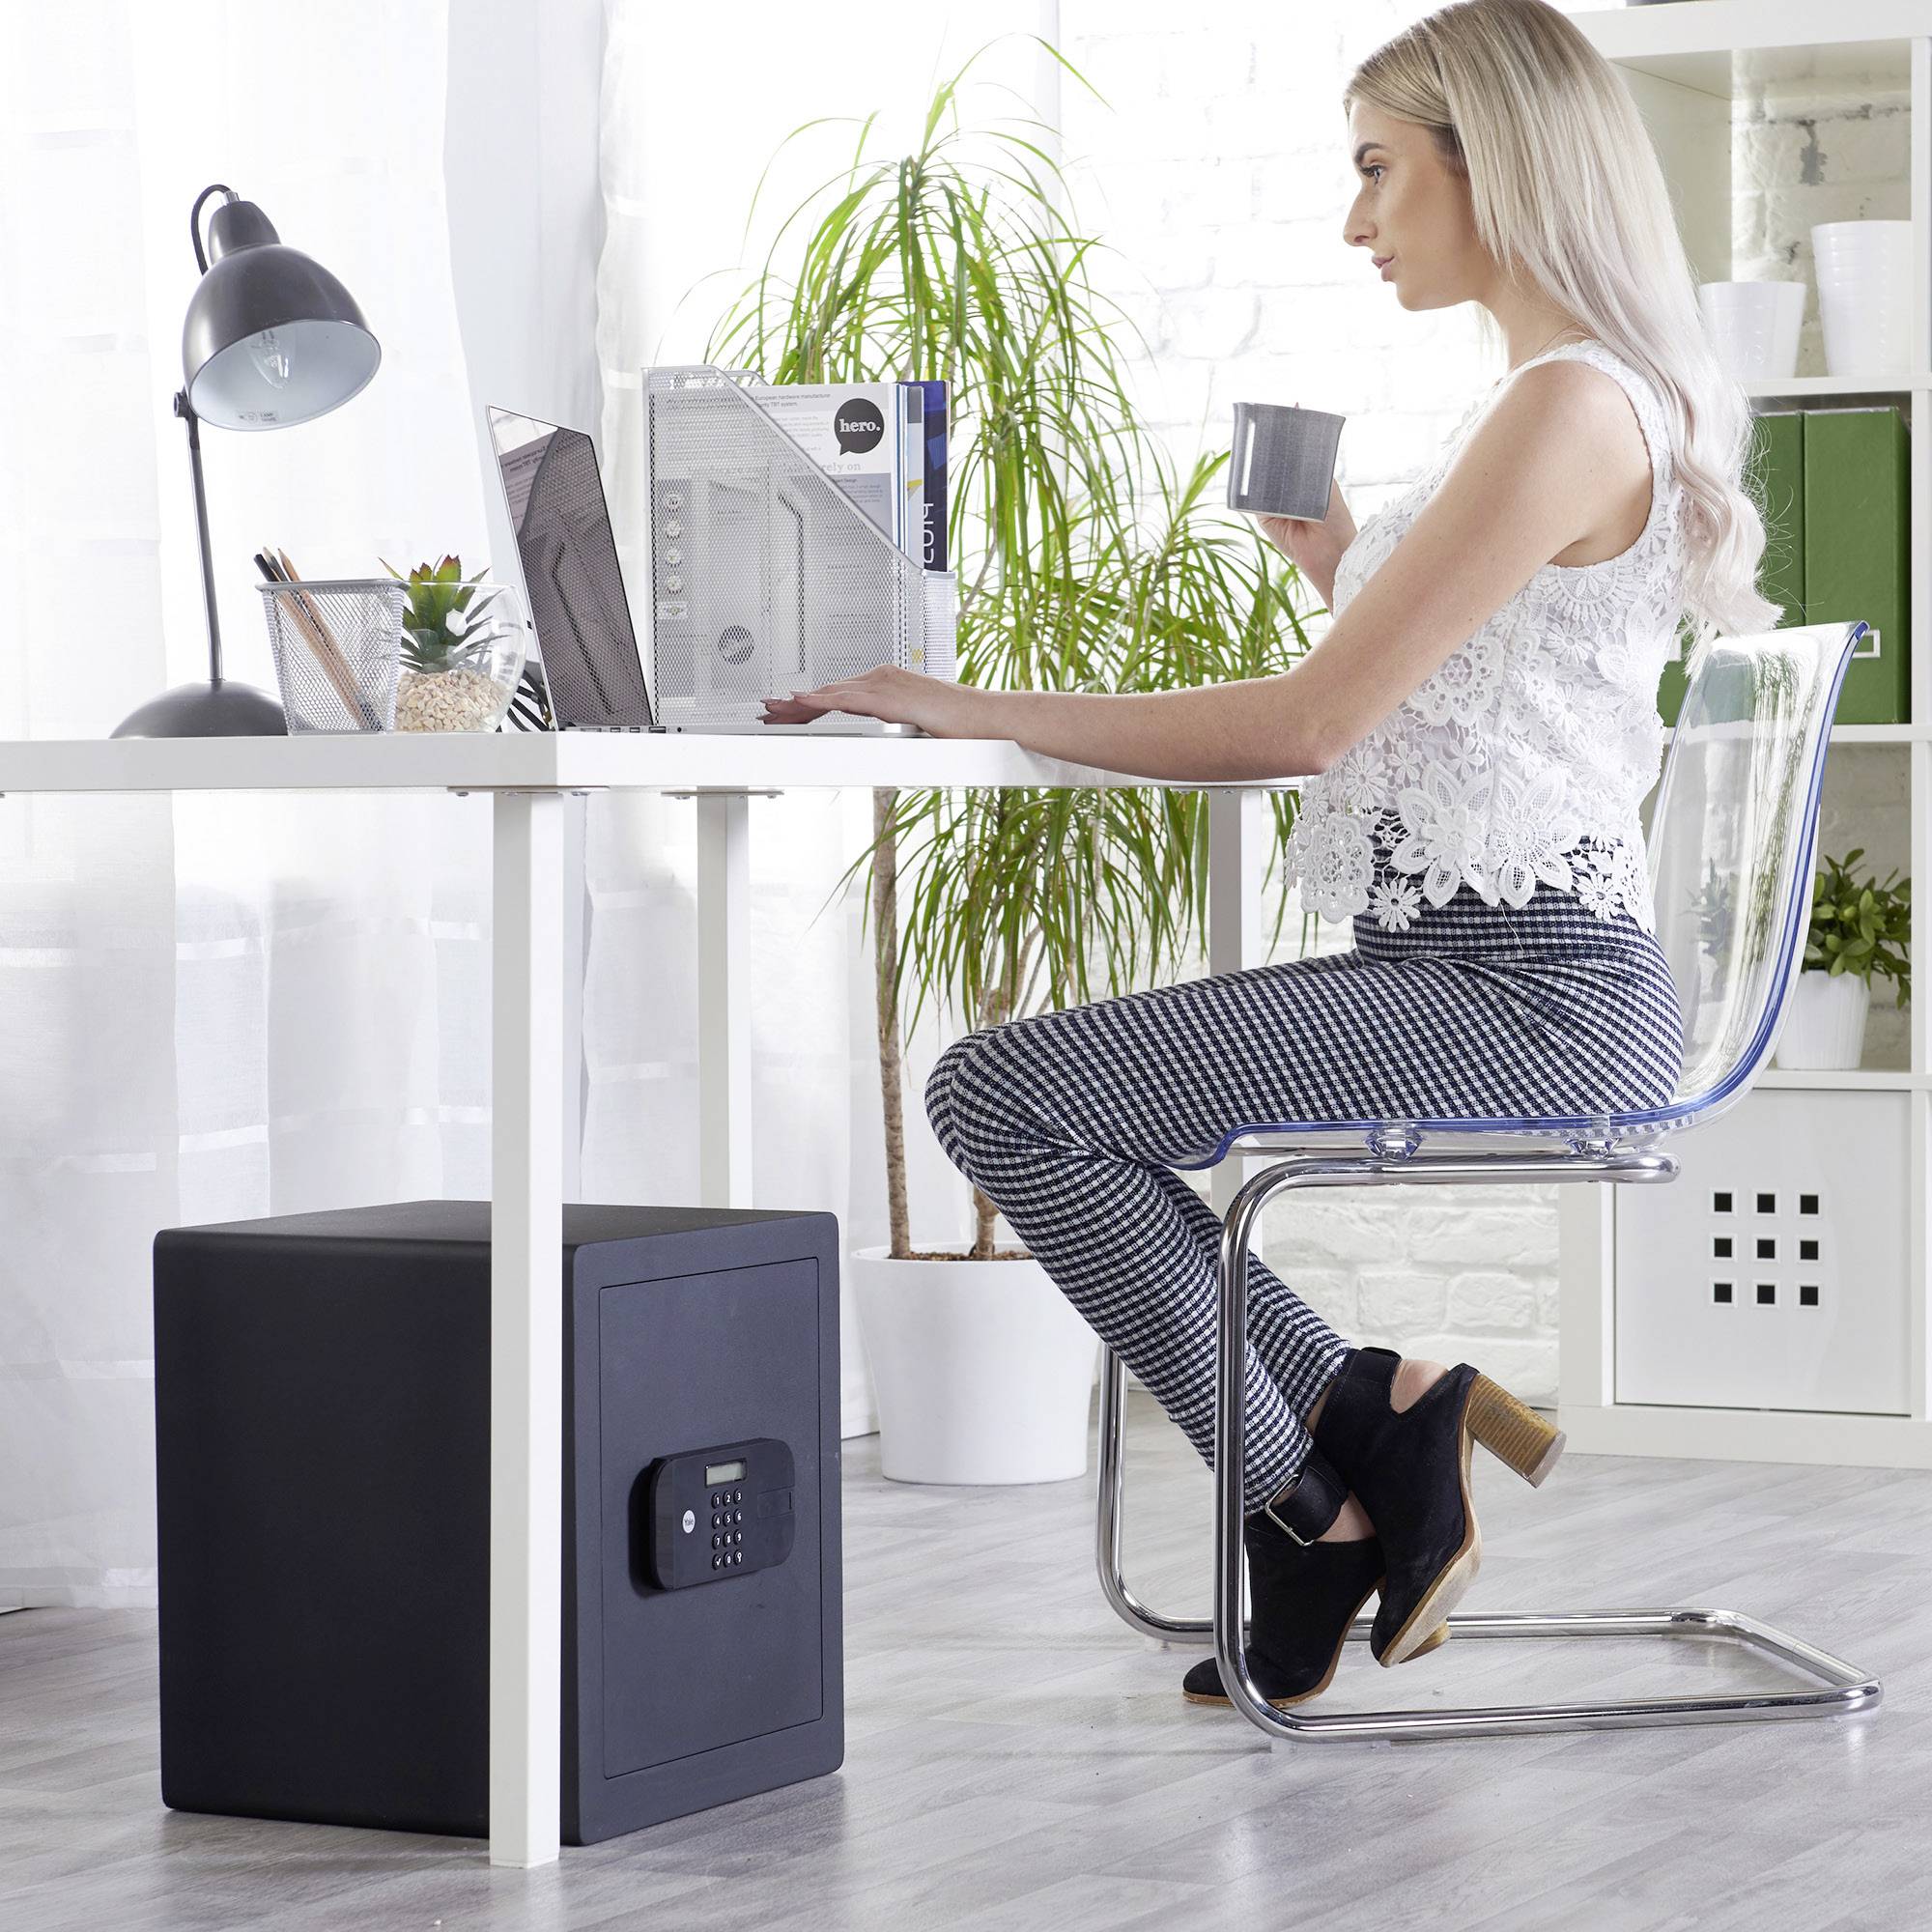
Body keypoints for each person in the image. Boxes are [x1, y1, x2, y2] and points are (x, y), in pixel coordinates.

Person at [760, 0, 1781, 1708]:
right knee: (1022, 1098)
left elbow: (1313, 727)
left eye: (1381, 171)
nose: (1355, 220)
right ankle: (1357, 1444)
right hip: (1480, 970)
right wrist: (1344, 577)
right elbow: (1483, 695)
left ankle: (1321, 1488)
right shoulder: (1579, 401)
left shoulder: (1564, 406)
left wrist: (969, 702)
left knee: (1004, 1099)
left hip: (1531, 994)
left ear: (1496, 164)